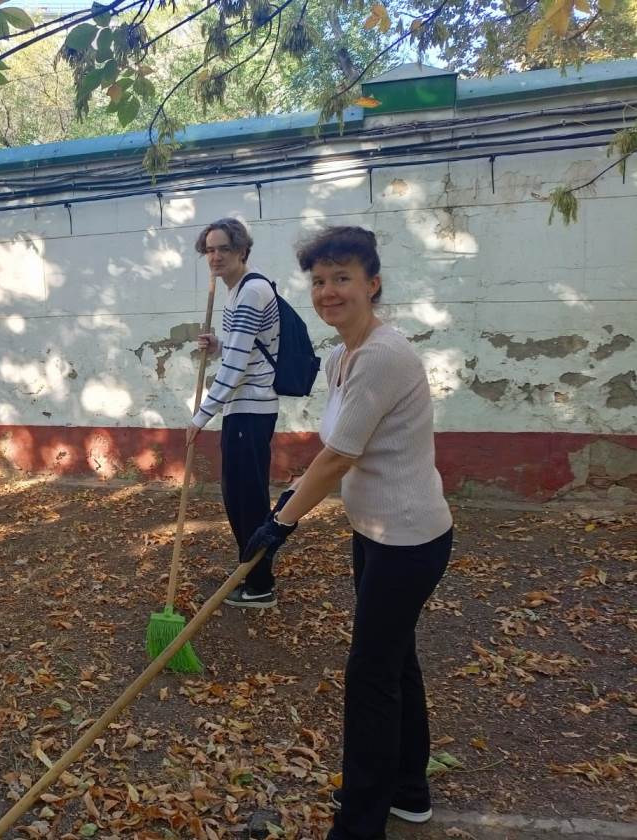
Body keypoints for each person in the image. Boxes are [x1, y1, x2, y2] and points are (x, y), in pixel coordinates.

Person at [242, 226, 454, 840]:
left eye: (342, 278)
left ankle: (360, 824)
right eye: (318, 281)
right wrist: (288, 500)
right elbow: (336, 455)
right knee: (394, 662)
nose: (328, 291)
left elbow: (337, 458)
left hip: (409, 541)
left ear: (373, 284)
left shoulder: (385, 355)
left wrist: (281, 523)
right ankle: (409, 791)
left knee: (370, 677)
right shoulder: (342, 357)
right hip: (376, 532)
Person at [188, 218, 283, 608]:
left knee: (246, 499)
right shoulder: (240, 290)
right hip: (246, 410)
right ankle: (251, 569)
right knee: (241, 496)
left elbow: (239, 365)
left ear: (242, 249)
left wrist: (200, 416)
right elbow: (245, 346)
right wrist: (220, 343)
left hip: (250, 410)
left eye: (223, 248)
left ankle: (259, 584)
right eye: (209, 249)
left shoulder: (250, 291)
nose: (215, 256)